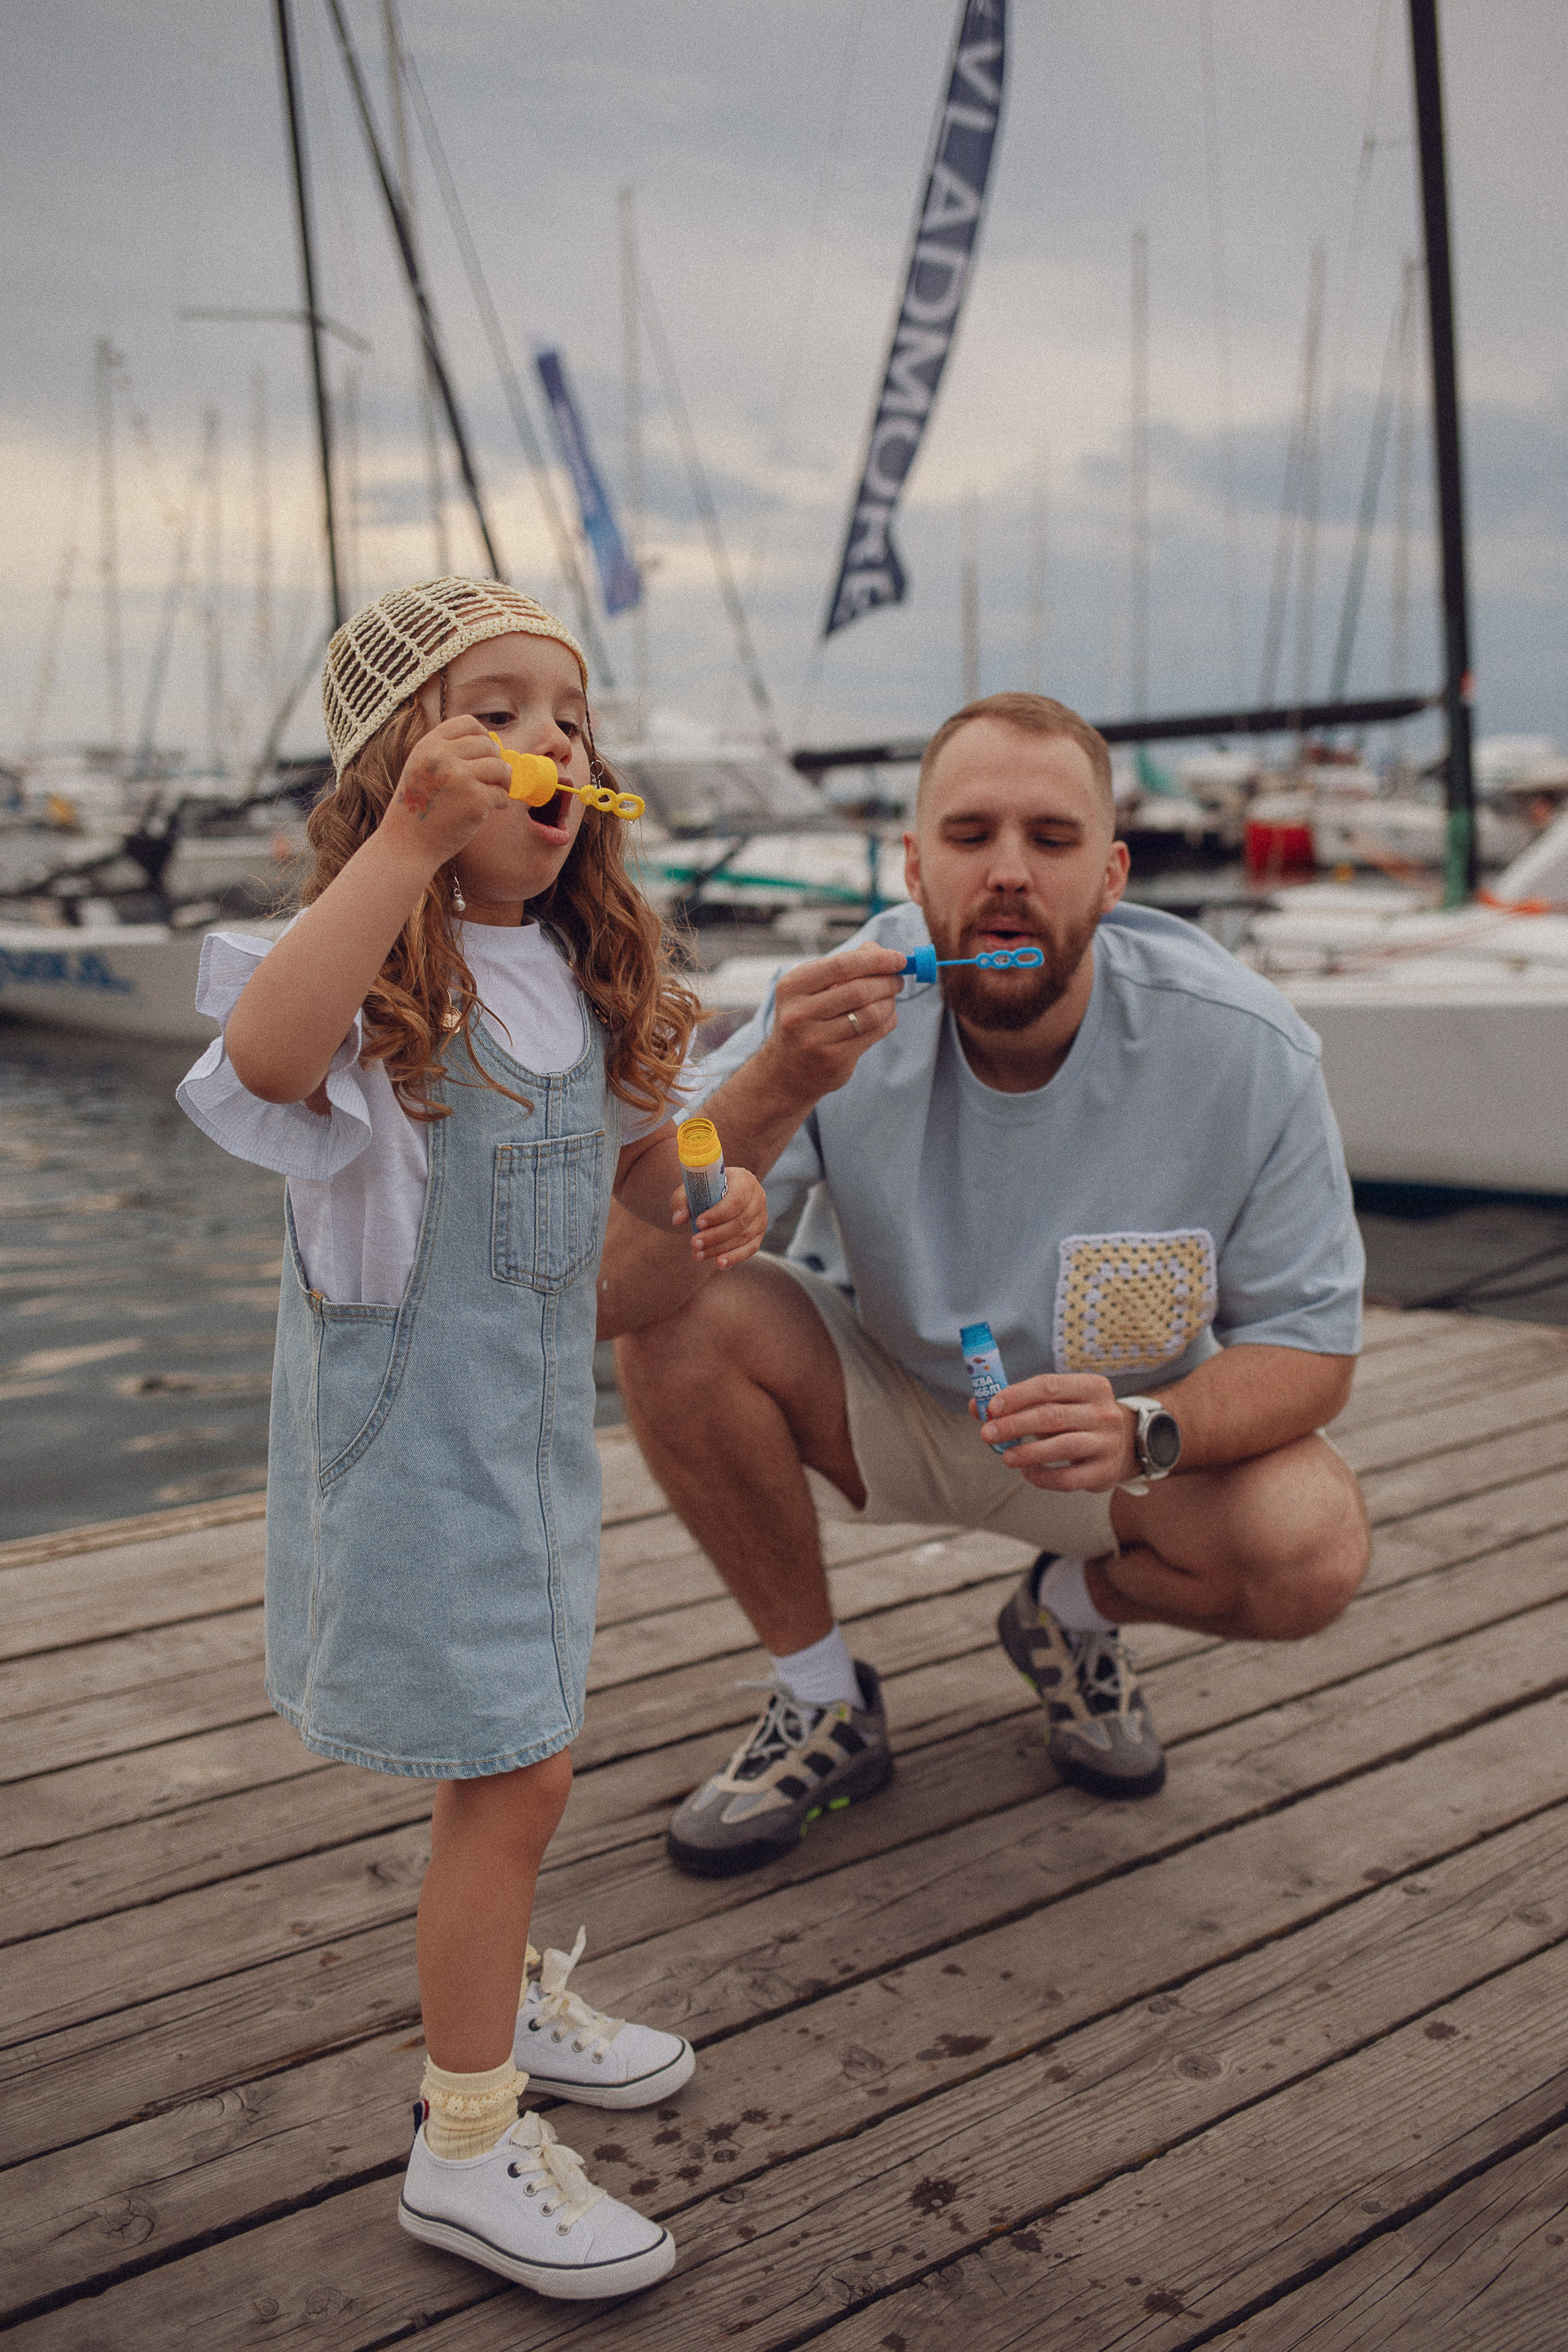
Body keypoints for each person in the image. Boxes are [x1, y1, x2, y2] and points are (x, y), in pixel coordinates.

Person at [176, 578, 768, 2299]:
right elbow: (264, 1064)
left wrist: (712, 1189)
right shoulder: (367, 968)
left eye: (566, 718)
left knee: (525, 1744)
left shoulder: (583, 970)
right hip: (413, 1452)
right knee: (514, 1774)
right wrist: (402, 851)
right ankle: (463, 2140)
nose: (542, 745)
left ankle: (499, 2000)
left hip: (530, 1448)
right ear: (393, 765)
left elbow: (649, 1150)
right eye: (487, 713)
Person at [601, 692, 1371, 1878]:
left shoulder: (1247, 1049)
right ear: (915, 869)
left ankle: (1069, 1614)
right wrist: (775, 1083)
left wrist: (1145, 1427)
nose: (1008, 872)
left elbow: (1313, 1348)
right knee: (682, 1314)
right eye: (969, 836)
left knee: (1313, 1546)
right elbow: (613, 1287)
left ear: (1111, 876)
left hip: (1109, 1451)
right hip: (885, 1399)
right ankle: (821, 1699)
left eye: (1051, 839)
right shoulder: (836, 1008)